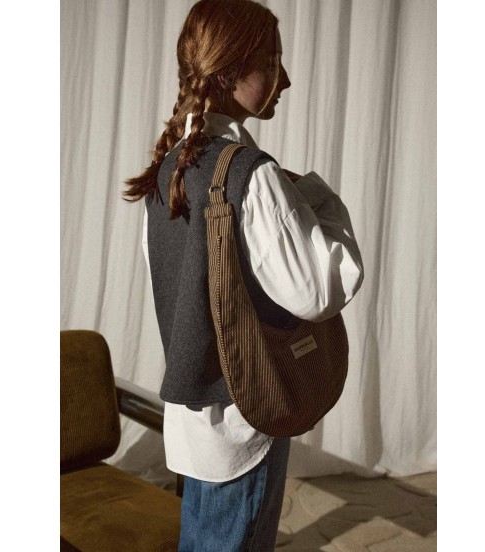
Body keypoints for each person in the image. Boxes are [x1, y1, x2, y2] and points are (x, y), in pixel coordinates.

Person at [124, 0, 364, 550]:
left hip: (193, 413)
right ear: (229, 71)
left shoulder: (169, 168)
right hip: (246, 412)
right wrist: (322, 199)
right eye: (272, 61)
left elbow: (175, 284)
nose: (286, 79)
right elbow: (319, 289)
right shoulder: (250, 175)